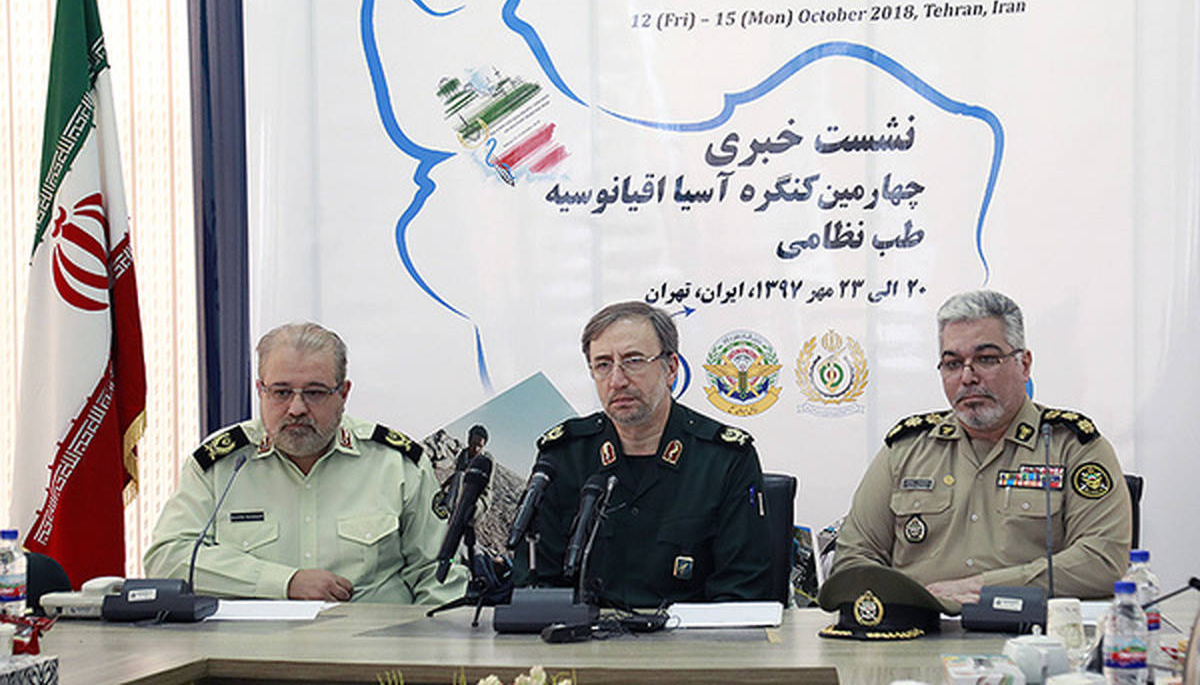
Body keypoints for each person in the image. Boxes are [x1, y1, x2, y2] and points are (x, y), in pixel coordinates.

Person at [832, 290, 1132, 607]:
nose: (967, 377)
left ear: (1024, 364)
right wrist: (911, 602)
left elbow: (1102, 559)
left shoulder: (1073, 447)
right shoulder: (906, 449)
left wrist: (985, 587)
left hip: (1026, 630)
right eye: (952, 363)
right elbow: (853, 558)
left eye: (986, 359)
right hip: (920, 627)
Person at [144, 322, 467, 603]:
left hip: (374, 649)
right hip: (251, 648)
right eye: (281, 392)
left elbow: (439, 575)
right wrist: (284, 583)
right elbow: (167, 558)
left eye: (314, 393)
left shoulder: (395, 464)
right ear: (260, 391)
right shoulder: (222, 465)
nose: (296, 408)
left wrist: (429, 648)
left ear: (343, 394)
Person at [517, 301, 772, 608]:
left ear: (671, 368)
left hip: (691, 637)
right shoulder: (563, 456)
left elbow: (742, 592)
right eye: (603, 365)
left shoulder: (725, 458)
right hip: (580, 635)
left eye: (634, 361)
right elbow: (534, 584)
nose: (617, 380)